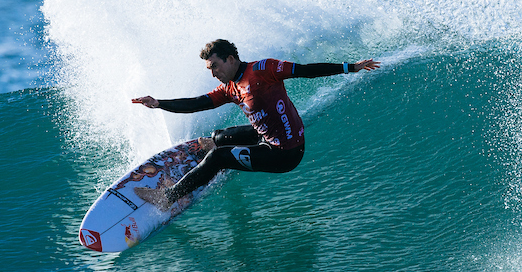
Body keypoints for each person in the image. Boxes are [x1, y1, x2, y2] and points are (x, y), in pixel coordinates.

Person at [131, 39, 380, 208]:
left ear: (230, 59)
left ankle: (167, 197)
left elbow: (305, 70)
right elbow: (198, 103)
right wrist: (159, 103)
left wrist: (351, 67)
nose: (213, 73)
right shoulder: (229, 88)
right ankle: (214, 150)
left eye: (215, 66)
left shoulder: (264, 69)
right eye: (209, 69)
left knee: (219, 157)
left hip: (285, 153)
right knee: (219, 137)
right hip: (267, 137)